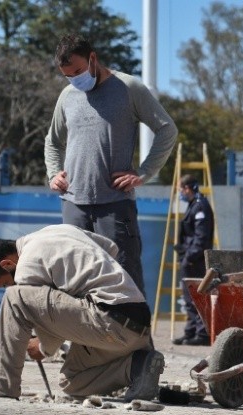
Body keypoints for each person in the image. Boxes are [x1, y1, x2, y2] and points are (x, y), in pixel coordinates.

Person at [44, 34, 178, 295]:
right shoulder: (67, 96)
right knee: (75, 282)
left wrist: (144, 172)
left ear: (93, 58)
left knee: (124, 279)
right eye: (68, 75)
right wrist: (53, 173)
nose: (75, 79)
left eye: (79, 71)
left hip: (114, 204)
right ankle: (81, 337)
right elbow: (52, 141)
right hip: (73, 204)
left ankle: (138, 337)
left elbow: (167, 129)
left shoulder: (129, 88)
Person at [0, 224, 164, 401]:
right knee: (71, 382)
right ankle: (135, 367)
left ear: (7, 264)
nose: (10, 284)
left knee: (14, 297)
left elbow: (47, 322)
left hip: (108, 318)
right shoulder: (58, 230)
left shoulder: (26, 265)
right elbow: (110, 248)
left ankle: (3, 390)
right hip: (137, 327)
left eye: (5, 282)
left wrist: (43, 348)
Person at [173, 174, 215, 346]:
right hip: (191, 258)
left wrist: (189, 257)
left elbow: (201, 238)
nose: (180, 193)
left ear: (186, 188)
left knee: (196, 298)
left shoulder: (200, 206)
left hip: (195, 261)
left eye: (180, 189)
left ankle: (202, 333)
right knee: (189, 298)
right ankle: (191, 332)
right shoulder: (194, 205)